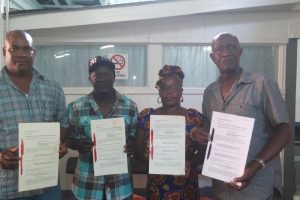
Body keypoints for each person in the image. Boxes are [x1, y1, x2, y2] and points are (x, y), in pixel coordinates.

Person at [202, 32, 291, 200]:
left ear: (240, 52)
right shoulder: (209, 93)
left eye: (231, 47)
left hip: (257, 188)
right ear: (213, 57)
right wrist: (201, 136)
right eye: (220, 49)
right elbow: (210, 136)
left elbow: (284, 131)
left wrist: (255, 165)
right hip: (221, 188)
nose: (226, 52)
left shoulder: (262, 84)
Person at [0, 30, 69, 199]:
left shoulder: (53, 88)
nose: (21, 54)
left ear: (34, 53)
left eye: (27, 49)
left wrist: (58, 144)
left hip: (47, 185)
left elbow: (63, 125)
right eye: (14, 49)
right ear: (4, 51)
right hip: (8, 187)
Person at [66, 56, 138, 200]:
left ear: (114, 77)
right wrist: (78, 145)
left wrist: (131, 146)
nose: (102, 78)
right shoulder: (76, 107)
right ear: (90, 78)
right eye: (97, 74)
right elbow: (68, 139)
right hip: (87, 184)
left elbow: (133, 137)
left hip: (120, 185)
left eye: (107, 74)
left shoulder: (130, 106)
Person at [135, 65, 208, 200]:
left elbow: (204, 153)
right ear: (159, 91)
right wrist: (146, 157)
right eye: (164, 87)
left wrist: (189, 162)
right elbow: (137, 149)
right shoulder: (147, 116)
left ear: (181, 92)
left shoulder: (194, 118)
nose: (169, 92)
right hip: (156, 186)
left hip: (186, 185)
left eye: (174, 87)